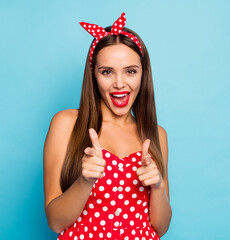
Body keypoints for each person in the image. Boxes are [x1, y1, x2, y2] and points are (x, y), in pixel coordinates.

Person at [43, 12, 172, 240]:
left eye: (131, 71)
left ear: (143, 74)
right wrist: (85, 181)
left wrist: (158, 187)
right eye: (107, 72)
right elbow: (55, 221)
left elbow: (160, 228)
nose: (119, 83)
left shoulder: (156, 135)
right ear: (93, 74)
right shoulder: (66, 123)